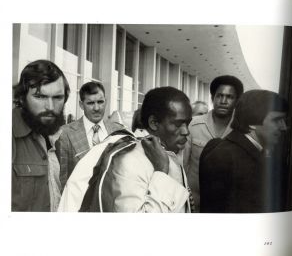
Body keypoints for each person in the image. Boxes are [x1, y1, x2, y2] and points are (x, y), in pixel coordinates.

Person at [59, 86, 193, 213]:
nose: (186, 131)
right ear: (153, 123)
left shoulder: (170, 153)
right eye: (177, 124)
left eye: (187, 123)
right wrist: (162, 173)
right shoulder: (129, 160)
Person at [200, 90, 290, 213]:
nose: (284, 127)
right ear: (253, 122)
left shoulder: (257, 153)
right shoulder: (223, 156)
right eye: (276, 120)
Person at [12, 59, 70, 211]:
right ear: (21, 98)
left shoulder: (59, 136)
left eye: (57, 98)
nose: (50, 107)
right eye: (40, 97)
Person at [184, 75, 244, 212]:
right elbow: (183, 164)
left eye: (229, 97)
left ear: (237, 101)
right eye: (219, 96)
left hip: (228, 204)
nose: (223, 101)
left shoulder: (241, 129)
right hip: (195, 202)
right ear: (212, 98)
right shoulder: (193, 124)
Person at [56, 81, 124, 189]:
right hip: (78, 203)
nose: (97, 108)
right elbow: (62, 179)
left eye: (100, 102)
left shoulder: (119, 131)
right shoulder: (65, 134)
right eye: (91, 103)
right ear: (81, 105)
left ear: (106, 102)